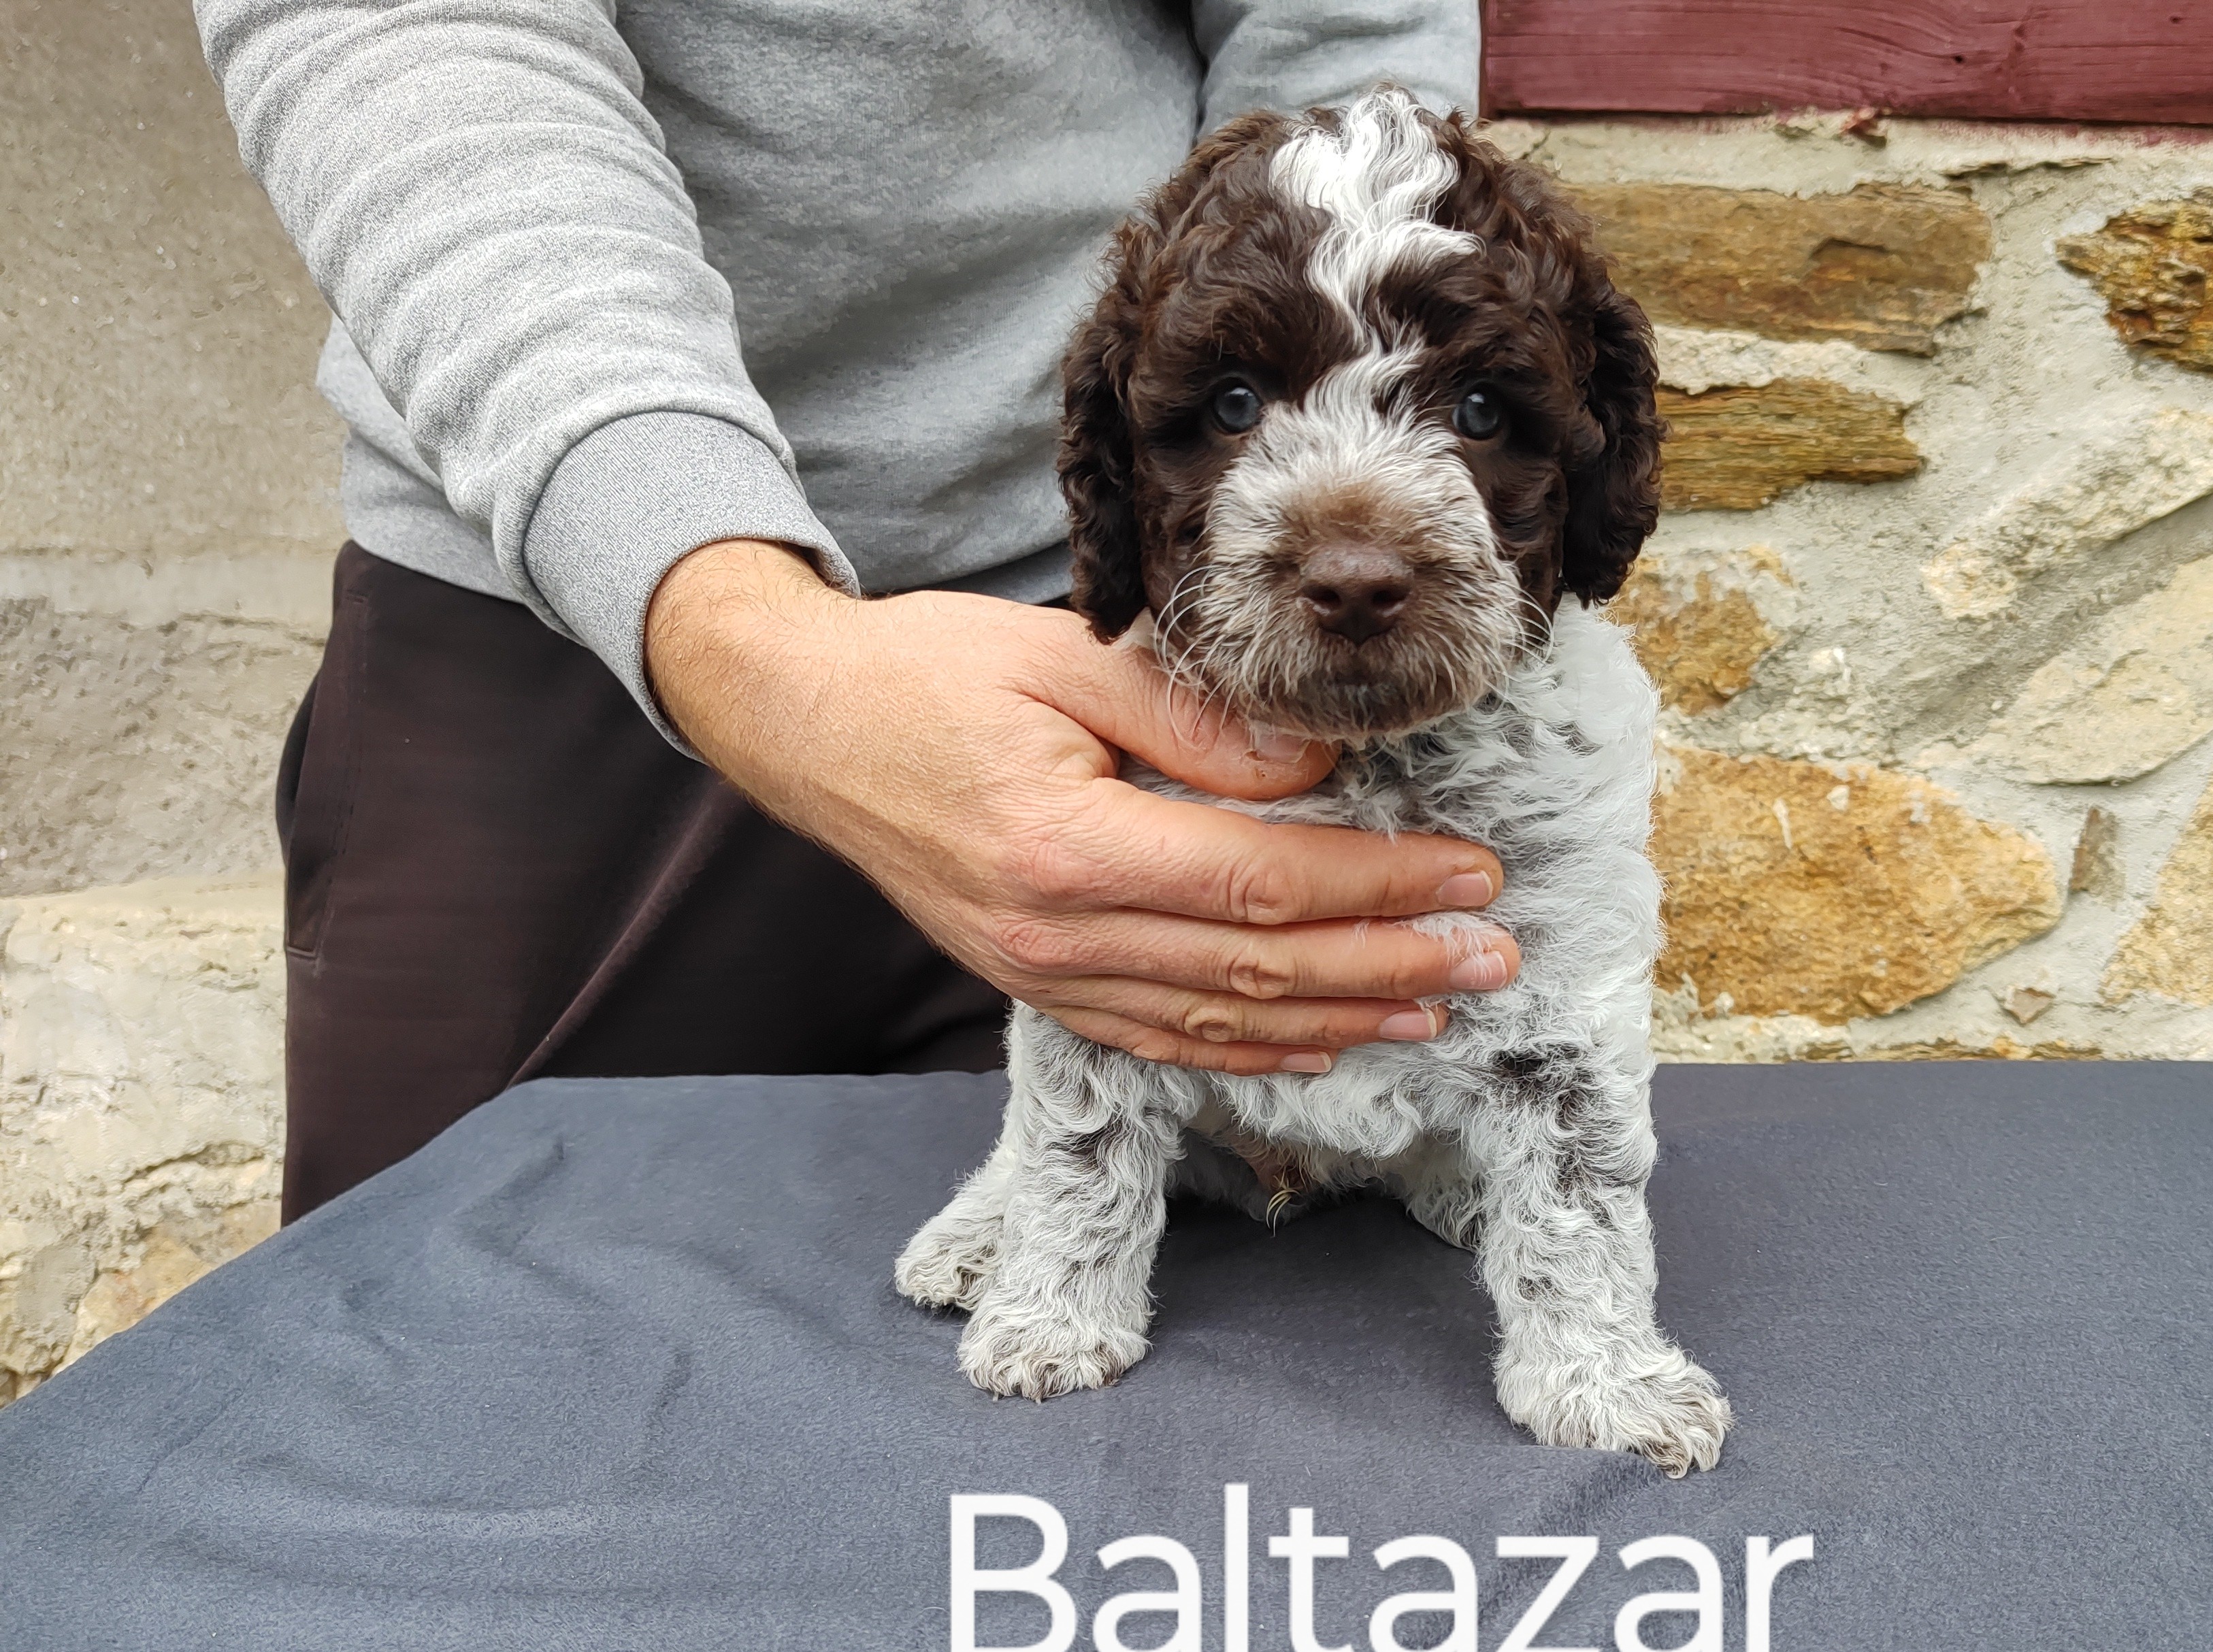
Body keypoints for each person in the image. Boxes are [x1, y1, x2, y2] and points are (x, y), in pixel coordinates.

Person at [193, 1, 1509, 1220]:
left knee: (1218, 1343)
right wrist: (727, 614)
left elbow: (1341, 29)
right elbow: (408, 33)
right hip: (546, 620)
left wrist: (1291, 424)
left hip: (1120, 651)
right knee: (450, 1311)